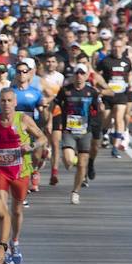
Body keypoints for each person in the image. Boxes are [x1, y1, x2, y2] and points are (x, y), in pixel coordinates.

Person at [0, 88, 47, 264]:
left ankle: (15, 241)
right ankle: (2, 246)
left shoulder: (23, 120)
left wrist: (32, 146)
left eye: (9, 101)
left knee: (17, 210)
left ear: (15, 103)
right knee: (1, 209)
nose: (6, 104)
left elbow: (42, 138)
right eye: (3, 101)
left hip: (20, 170)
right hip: (1, 169)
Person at [53, 65, 103, 205]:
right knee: (68, 161)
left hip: (85, 132)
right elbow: (56, 105)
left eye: (82, 73)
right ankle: (77, 163)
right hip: (69, 131)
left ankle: (75, 191)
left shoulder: (91, 92)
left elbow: (97, 110)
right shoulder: (65, 90)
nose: (80, 76)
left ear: (87, 76)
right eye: (77, 73)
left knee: (81, 165)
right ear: (74, 75)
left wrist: (97, 130)